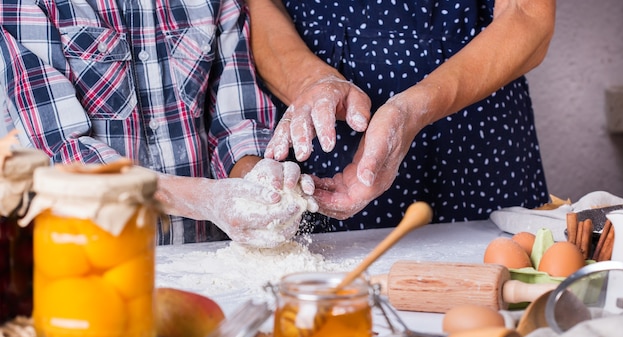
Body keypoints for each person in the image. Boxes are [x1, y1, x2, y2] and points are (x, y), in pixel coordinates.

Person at [0, 0, 315, 245]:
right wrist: (207, 199)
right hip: (89, 265)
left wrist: (259, 183)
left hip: (207, 261)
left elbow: (234, 127)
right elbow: (61, 156)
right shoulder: (26, 4)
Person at [248, 0, 556, 233]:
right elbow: (261, 6)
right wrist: (311, 83)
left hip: (473, 127)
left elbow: (527, 14)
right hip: (326, 127)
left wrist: (412, 109)